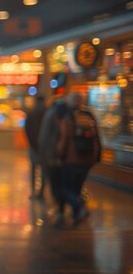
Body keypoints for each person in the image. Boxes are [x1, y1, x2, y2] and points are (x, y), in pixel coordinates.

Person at [56, 92, 101, 226]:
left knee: (64, 188)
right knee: (76, 189)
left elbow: (63, 142)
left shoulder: (68, 119)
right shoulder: (89, 117)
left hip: (71, 161)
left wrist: (58, 156)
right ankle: (77, 214)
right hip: (87, 161)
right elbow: (97, 139)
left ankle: (80, 208)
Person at [38, 99, 68, 222]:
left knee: (55, 183)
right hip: (60, 156)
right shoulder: (62, 117)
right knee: (59, 183)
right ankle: (61, 207)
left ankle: (61, 207)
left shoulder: (50, 116)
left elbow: (44, 137)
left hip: (52, 156)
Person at [24, 96, 47, 199]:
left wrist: (32, 143)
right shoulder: (47, 113)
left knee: (34, 170)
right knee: (44, 171)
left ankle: (34, 192)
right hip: (45, 148)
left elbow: (27, 130)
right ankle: (41, 191)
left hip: (34, 147)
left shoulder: (31, 113)